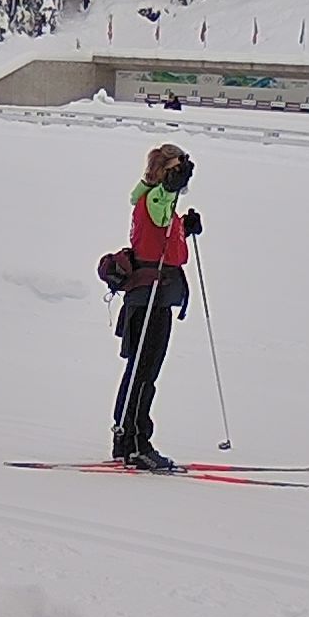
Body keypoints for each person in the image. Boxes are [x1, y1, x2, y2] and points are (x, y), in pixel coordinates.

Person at [112, 143, 201, 471]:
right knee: (144, 371)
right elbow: (161, 202)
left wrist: (184, 228)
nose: (180, 176)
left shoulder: (155, 201)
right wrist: (171, 186)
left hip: (153, 296)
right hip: (150, 297)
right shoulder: (155, 198)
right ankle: (137, 444)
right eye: (175, 169)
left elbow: (160, 232)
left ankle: (125, 439)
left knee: (139, 369)